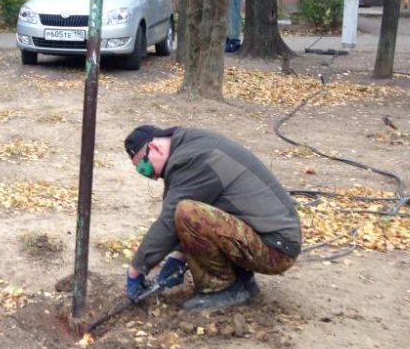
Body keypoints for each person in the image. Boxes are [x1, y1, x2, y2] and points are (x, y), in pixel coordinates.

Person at [123, 124, 302, 312]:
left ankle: (222, 288)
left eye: (143, 167)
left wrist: (136, 269)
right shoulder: (191, 146)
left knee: (187, 211)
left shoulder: (194, 160)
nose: (148, 174)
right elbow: (204, 213)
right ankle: (242, 280)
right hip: (267, 237)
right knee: (189, 212)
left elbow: (170, 221)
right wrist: (178, 256)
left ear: (154, 148)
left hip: (275, 250)